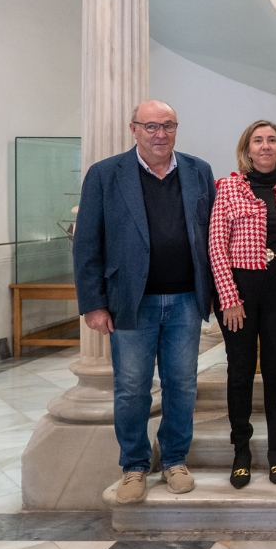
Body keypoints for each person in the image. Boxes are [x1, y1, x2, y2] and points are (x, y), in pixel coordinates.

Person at [72, 100, 216, 504]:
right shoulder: (105, 174)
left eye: (168, 125)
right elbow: (86, 244)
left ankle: (173, 458)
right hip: (131, 302)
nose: (160, 134)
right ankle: (134, 465)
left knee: (182, 384)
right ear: (134, 129)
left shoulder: (198, 171)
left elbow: (211, 236)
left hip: (187, 298)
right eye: (151, 126)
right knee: (132, 387)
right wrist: (93, 304)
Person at [208, 120, 276, 489]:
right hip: (240, 290)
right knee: (240, 371)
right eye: (258, 140)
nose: (265, 146)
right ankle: (242, 452)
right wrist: (229, 298)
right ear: (247, 148)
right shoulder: (229, 187)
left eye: (271, 140)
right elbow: (216, 245)